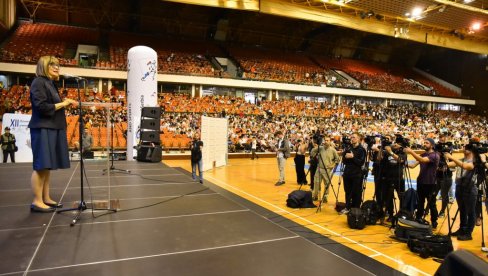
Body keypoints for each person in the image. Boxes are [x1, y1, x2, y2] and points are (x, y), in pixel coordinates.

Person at [28, 56, 77, 212]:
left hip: (52, 127)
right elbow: (41, 106)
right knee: (41, 166)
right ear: (44, 67)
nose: (57, 67)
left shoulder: (50, 83)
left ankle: (46, 198)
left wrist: (63, 103)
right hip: (43, 127)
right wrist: (63, 103)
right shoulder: (38, 82)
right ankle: (37, 201)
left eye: (58, 65)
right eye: (52, 65)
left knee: (47, 166)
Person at [444, 144, 479, 241]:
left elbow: (467, 166)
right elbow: (449, 164)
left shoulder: (474, 161)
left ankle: (468, 233)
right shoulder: (461, 159)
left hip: (470, 188)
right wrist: (444, 158)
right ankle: (462, 229)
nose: (462, 149)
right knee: (462, 209)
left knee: (470, 211)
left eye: (465, 148)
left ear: (470, 150)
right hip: (460, 186)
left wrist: (451, 157)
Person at [405, 138, 440, 228]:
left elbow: (422, 160)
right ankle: (418, 218)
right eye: (424, 142)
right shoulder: (423, 154)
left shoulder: (435, 155)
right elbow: (412, 165)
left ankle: (434, 221)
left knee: (431, 203)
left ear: (432, 145)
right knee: (420, 202)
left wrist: (411, 151)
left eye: (426, 143)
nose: (424, 144)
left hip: (431, 183)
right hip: (421, 181)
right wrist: (402, 162)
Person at [341, 133, 367, 214]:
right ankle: (347, 207)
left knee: (356, 192)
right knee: (347, 191)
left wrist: (353, 157)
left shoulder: (361, 150)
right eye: (351, 137)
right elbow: (344, 161)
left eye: (354, 137)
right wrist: (345, 157)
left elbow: (361, 162)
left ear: (359, 139)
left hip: (357, 174)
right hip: (347, 173)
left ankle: (356, 209)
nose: (352, 139)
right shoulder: (348, 148)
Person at [312, 136, 339, 202]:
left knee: (327, 184)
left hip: (327, 170)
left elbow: (337, 160)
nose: (326, 142)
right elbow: (312, 152)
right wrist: (315, 154)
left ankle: (325, 197)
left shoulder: (333, 150)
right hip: (319, 169)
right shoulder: (320, 148)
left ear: (330, 142)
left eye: (327, 140)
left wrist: (332, 165)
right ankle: (314, 196)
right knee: (316, 183)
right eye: (325, 140)